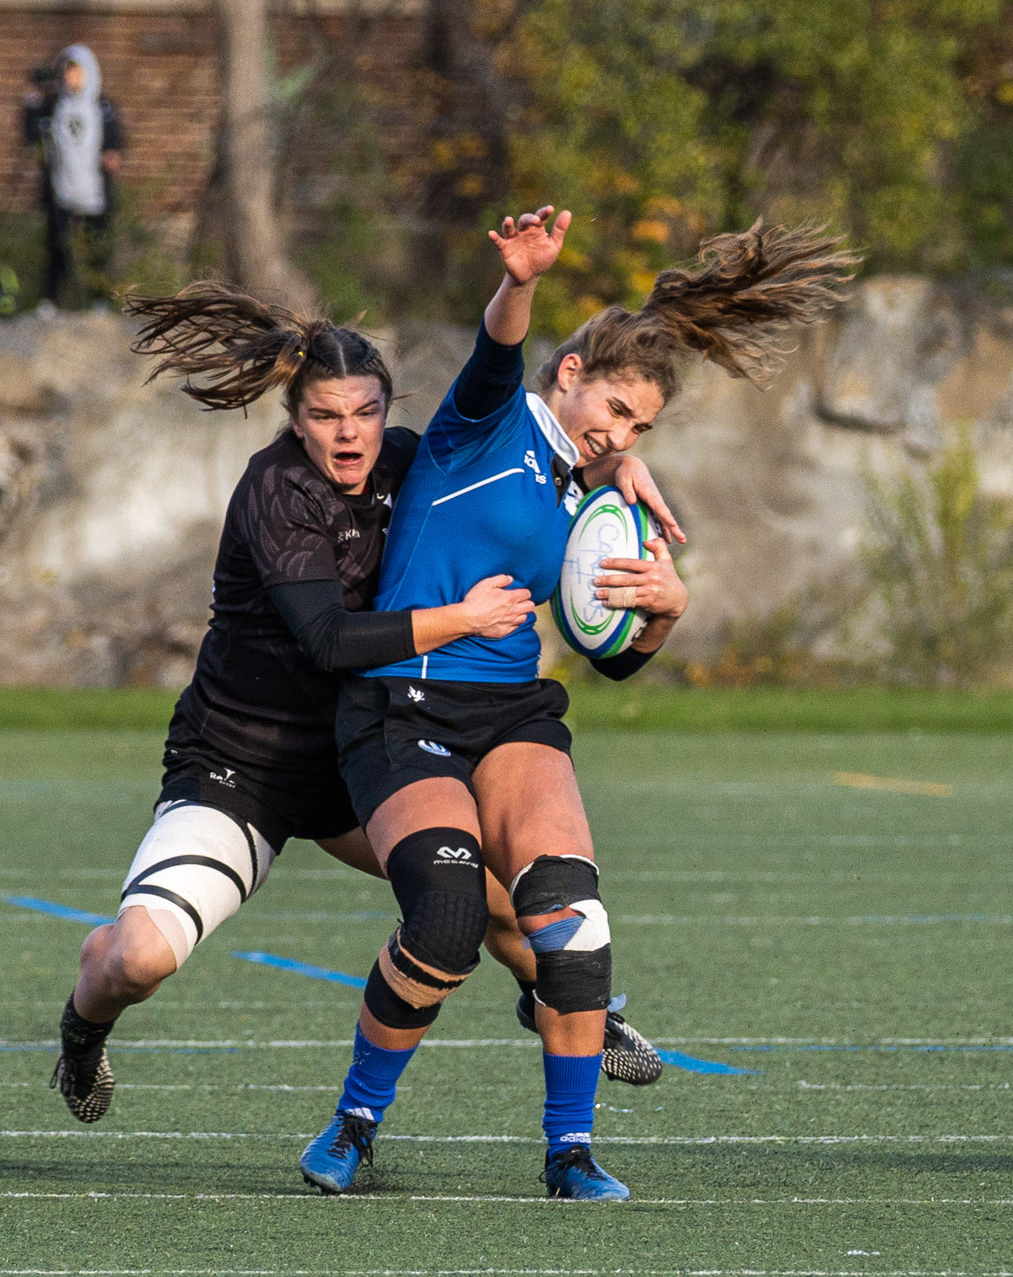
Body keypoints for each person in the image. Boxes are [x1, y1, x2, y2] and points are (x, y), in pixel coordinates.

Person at [296, 207, 855, 1200]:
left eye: (639, 425)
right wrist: (520, 282)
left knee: (573, 922)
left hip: (511, 711)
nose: (620, 432)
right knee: (448, 919)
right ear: (569, 375)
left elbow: (616, 659)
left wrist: (664, 614)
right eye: (612, 408)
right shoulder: (487, 426)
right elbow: (493, 353)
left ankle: (569, 1151)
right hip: (401, 711)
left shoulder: (593, 500)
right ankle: (353, 1122)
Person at [49, 282, 677, 1124]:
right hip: (245, 765)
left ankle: (573, 1011)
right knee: (138, 958)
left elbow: (515, 460)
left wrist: (613, 464)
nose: (349, 433)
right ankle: (83, 1032)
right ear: (294, 416)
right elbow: (330, 641)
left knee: (490, 903)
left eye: (365, 413)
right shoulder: (275, 490)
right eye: (325, 416)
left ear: (387, 409)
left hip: (360, 754)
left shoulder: (409, 459)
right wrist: (463, 617)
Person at [22, 45, 123, 308]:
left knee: (96, 247)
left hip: (94, 189)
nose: (71, 78)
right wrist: (31, 101)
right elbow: (32, 136)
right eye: (66, 72)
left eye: (76, 71)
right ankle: (52, 299)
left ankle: (100, 299)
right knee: (57, 247)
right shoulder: (54, 105)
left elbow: (115, 139)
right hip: (61, 188)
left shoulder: (102, 106)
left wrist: (112, 154)